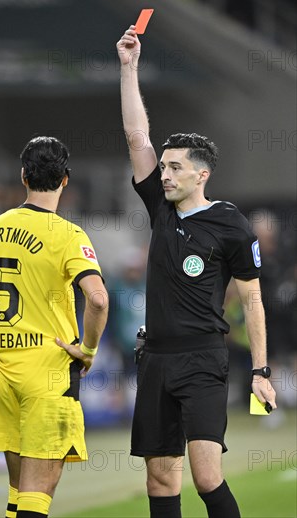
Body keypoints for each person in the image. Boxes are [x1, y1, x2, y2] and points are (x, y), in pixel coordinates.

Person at [116, 26, 277, 518]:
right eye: (162, 166)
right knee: (161, 479)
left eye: (174, 168)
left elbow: (251, 299)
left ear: (201, 175)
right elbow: (136, 133)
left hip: (204, 360)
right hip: (156, 360)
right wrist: (128, 68)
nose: (163, 174)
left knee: (206, 477)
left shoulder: (231, 224)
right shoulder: (159, 209)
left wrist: (260, 371)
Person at [0, 136, 108, 518]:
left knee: (18, 495)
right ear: (65, 180)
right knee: (36, 495)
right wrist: (89, 349)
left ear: (23, 177)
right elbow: (98, 299)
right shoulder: (68, 235)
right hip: (48, 370)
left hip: (4, 372)